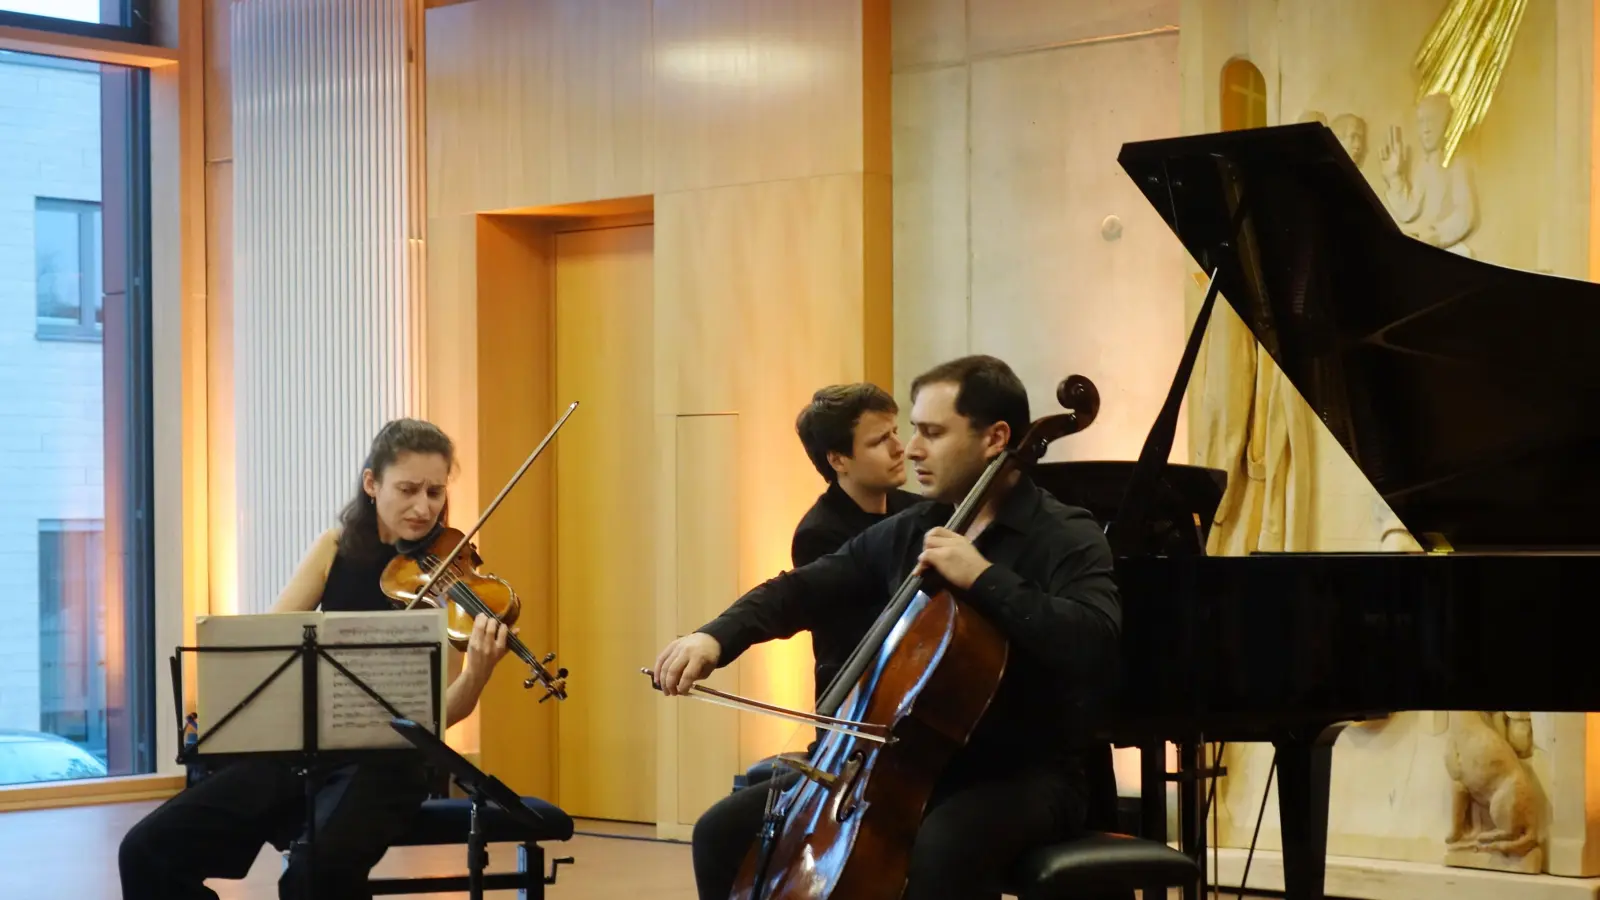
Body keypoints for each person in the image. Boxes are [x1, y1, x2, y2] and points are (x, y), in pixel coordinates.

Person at [653, 355, 1123, 900]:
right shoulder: (916, 528)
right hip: (902, 765)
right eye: (911, 431)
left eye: (931, 432)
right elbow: (801, 589)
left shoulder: (1065, 534)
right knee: (721, 832)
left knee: (941, 848)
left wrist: (984, 578)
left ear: (995, 438)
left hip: (1021, 774)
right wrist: (714, 637)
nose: (913, 448)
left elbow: (1095, 641)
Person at [119, 418, 516, 900]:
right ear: (372, 483)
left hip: (387, 765)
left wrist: (476, 673)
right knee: (147, 849)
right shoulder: (336, 549)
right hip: (306, 752)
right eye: (408, 489)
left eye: (435, 492)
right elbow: (268, 646)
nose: (423, 507)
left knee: (313, 874)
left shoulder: (453, 579)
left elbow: (444, 713)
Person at [790, 384, 922, 711]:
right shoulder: (818, 534)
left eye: (894, 432)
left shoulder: (917, 510)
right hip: (858, 707)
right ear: (838, 460)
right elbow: (860, 636)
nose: (899, 448)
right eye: (880, 440)